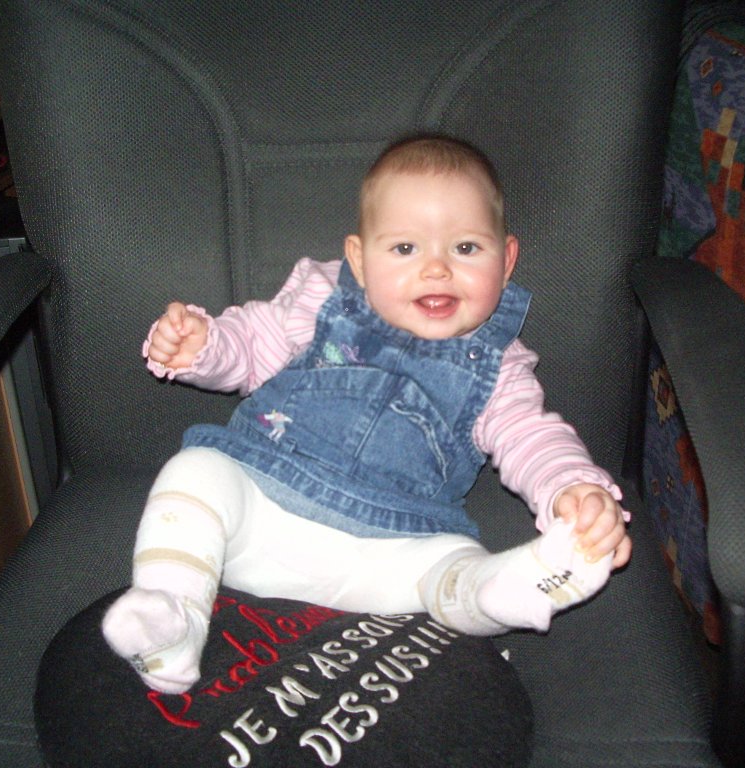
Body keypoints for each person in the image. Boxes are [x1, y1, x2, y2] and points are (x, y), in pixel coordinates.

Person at [102, 135, 632, 694]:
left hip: (390, 549)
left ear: (506, 260)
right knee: (196, 470)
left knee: (452, 560)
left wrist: (572, 488)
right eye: (404, 248)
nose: (436, 269)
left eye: (466, 248)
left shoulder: (498, 366)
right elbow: (252, 344)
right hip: (261, 511)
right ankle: (173, 617)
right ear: (358, 259)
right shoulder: (322, 298)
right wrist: (204, 347)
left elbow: (531, 437)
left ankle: (505, 588)